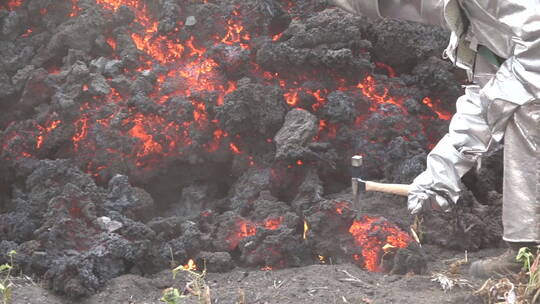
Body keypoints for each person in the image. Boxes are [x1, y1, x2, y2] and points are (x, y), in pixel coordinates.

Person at [333, 0, 540, 278]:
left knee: (527, 108)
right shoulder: (473, 18)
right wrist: (440, 175)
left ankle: (527, 252)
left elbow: (527, 63)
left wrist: (497, 99)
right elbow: (486, 92)